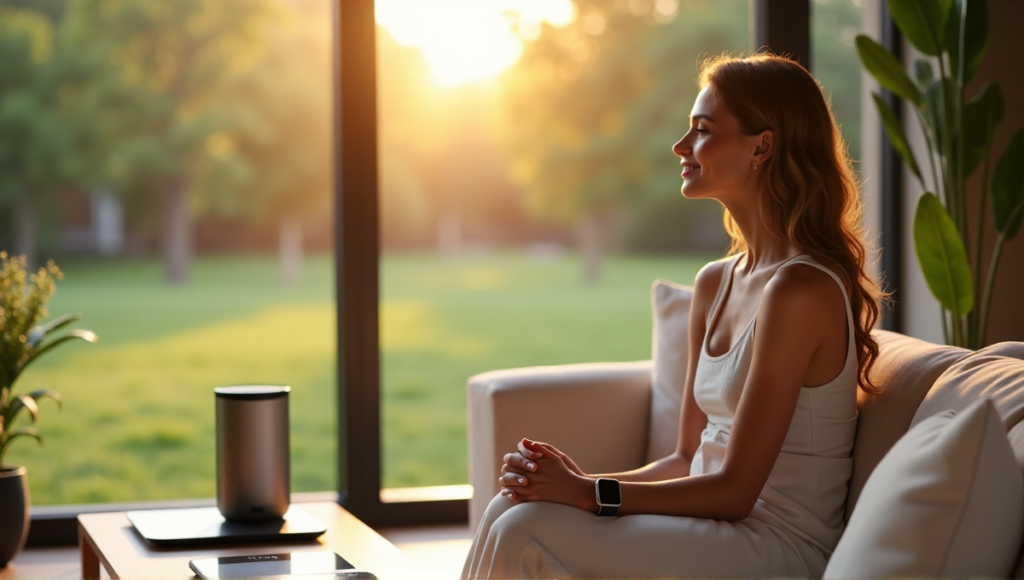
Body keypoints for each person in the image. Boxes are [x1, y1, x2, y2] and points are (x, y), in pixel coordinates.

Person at [461, 53, 886, 579]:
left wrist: (587, 493)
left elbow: (734, 491)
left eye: (702, 130)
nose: (680, 147)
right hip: (714, 527)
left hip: (777, 544)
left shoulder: (801, 289)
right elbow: (686, 459)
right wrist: (570, 484)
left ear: (763, 146)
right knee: (512, 508)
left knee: (522, 527)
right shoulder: (715, 282)